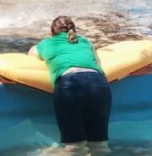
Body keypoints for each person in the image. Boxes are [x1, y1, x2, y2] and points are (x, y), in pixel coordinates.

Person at [29, 16, 112, 145]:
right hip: (99, 85)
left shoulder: (47, 43)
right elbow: (98, 63)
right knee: (99, 144)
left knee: (75, 147)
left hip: (69, 85)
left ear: (52, 33)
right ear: (74, 30)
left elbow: (31, 52)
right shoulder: (86, 42)